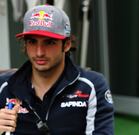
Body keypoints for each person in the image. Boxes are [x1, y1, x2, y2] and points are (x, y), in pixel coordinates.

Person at [0, 4, 114, 135]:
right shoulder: (4, 86)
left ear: (66, 45)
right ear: (25, 44)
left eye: (49, 42)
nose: (39, 52)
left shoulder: (92, 85)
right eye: (32, 41)